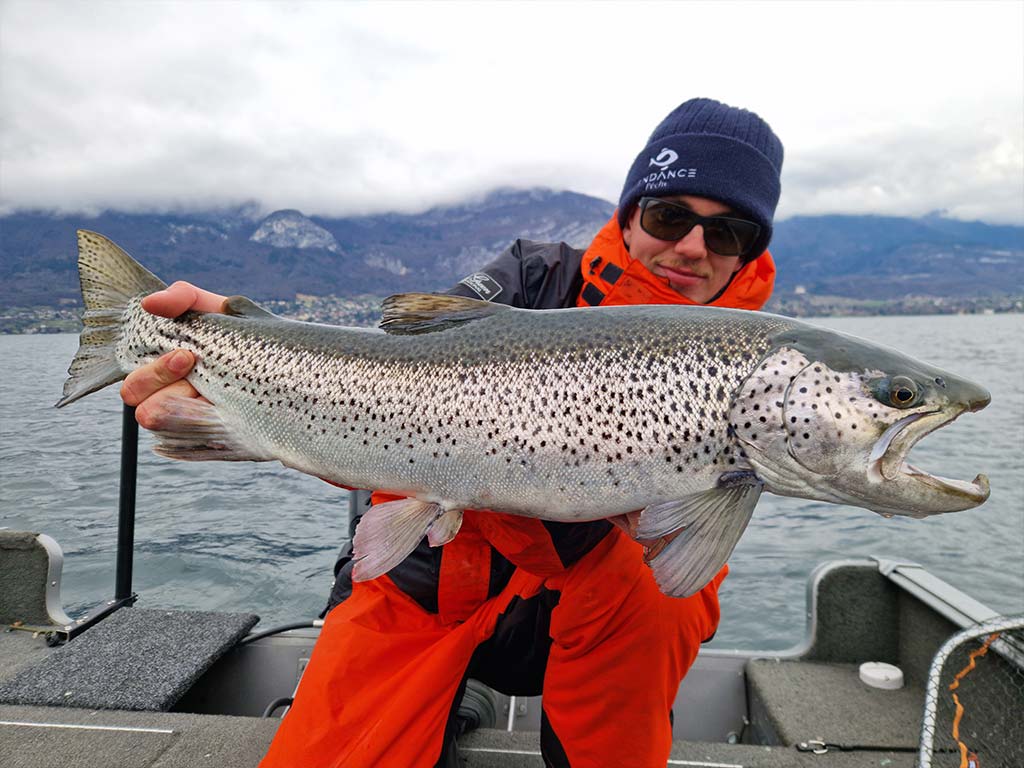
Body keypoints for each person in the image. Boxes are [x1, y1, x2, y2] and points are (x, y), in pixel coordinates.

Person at [121, 97, 783, 768]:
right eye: (670, 216)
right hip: (422, 573)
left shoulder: (759, 365)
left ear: (749, 254)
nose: (693, 247)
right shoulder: (533, 274)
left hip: (584, 614)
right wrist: (237, 330)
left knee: (663, 588)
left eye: (728, 233)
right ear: (630, 212)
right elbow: (390, 362)